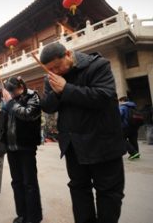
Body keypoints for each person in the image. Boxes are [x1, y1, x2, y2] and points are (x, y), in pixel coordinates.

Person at [40, 43, 126, 223]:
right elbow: (48, 107)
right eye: (50, 69)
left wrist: (66, 89)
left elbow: (104, 96)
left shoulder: (98, 65)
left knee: (109, 193)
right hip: (74, 146)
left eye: (57, 66)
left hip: (103, 143)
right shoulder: (51, 78)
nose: (55, 71)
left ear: (68, 54)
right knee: (79, 190)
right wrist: (56, 93)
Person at [1, 76, 43, 223]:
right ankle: (22, 214)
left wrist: (10, 103)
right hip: (11, 147)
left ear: (20, 86)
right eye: (9, 93)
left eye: (13, 91)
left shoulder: (33, 96)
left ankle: (33, 217)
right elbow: (4, 122)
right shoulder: (9, 100)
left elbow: (28, 114)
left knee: (29, 183)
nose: (12, 95)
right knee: (17, 182)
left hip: (26, 146)